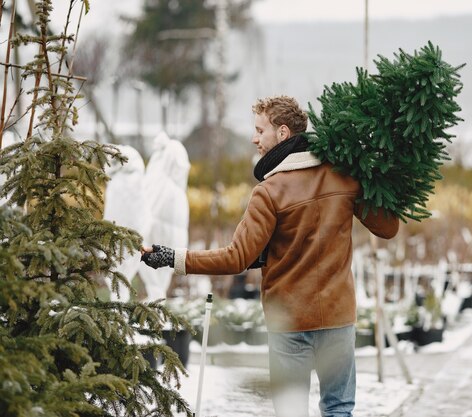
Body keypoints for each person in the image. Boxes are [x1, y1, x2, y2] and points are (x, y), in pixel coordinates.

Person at [141, 95, 398, 417]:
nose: (253, 138)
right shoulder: (343, 176)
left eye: (260, 130)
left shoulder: (270, 191)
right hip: (337, 316)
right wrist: (374, 175)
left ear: (283, 133)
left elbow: (236, 258)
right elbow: (388, 228)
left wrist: (174, 257)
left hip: (289, 321)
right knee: (339, 408)